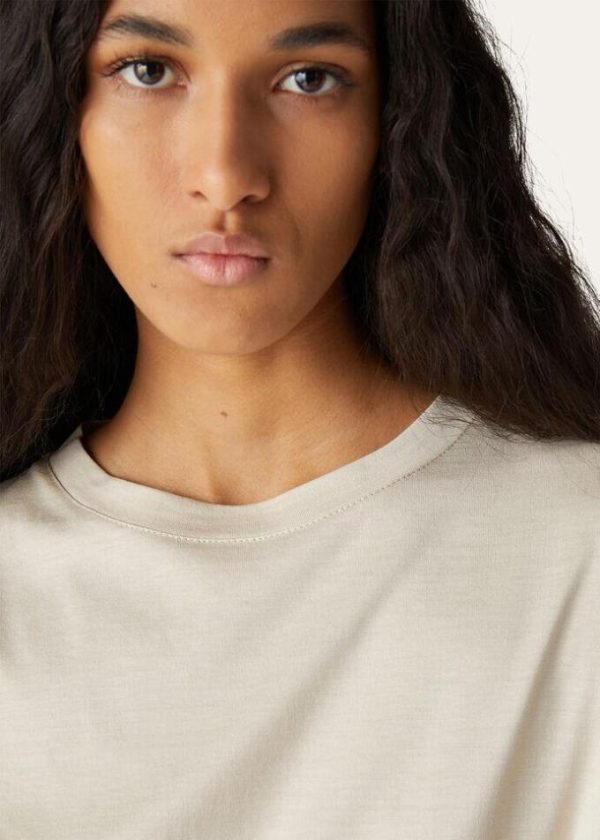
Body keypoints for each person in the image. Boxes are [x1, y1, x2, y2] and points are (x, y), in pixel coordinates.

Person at [0, 1, 598, 838]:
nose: (225, 174)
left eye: (309, 79)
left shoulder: (574, 552)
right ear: (54, 109)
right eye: (148, 70)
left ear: (400, 116)